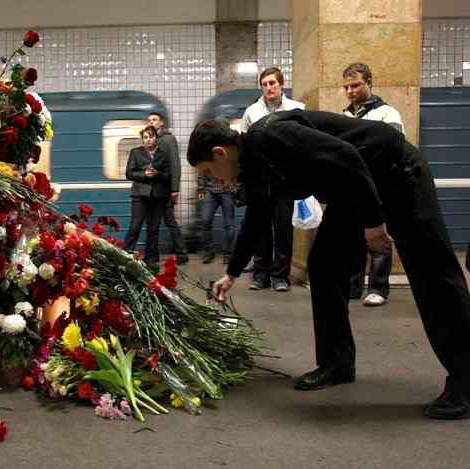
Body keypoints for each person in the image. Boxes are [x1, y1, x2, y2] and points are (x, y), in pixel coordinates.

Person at [187, 111, 470, 420]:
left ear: (220, 153)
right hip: (351, 191)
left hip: (395, 173)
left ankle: (465, 381)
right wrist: (232, 273)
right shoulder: (253, 171)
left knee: (433, 274)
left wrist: (373, 222)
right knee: (324, 265)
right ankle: (337, 363)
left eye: (208, 170)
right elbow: (255, 222)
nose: (212, 179)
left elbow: (346, 155)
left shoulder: (269, 136)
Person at [342, 62, 405, 307]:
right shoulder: (345, 115)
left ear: (369, 83)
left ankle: (378, 287)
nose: (350, 91)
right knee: (354, 239)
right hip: (354, 187)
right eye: (346, 86)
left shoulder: (387, 114)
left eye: (356, 85)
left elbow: (393, 149)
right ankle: (353, 285)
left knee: (378, 238)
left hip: (380, 185)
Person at [240, 67, 305, 292]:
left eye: (272, 83)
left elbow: (304, 144)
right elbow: (244, 146)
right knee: (261, 229)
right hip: (260, 180)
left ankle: (280, 276)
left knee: (283, 229)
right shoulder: (251, 112)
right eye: (265, 84)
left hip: (285, 180)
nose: (269, 87)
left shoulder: (297, 109)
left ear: (281, 84)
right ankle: (261, 274)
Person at [123, 125, 172, 267]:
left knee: (153, 229)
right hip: (140, 196)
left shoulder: (163, 154)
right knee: (135, 227)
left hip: (157, 197)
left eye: (151, 137)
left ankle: (150, 259)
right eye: (145, 137)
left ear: (156, 138)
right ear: (142, 139)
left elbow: (168, 175)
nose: (148, 140)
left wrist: (157, 174)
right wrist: (144, 174)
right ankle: (126, 255)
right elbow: (129, 173)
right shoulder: (135, 153)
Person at [147, 112, 189, 265]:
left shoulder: (168, 139)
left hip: (165, 188)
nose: (151, 122)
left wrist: (175, 188)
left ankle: (182, 255)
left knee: (169, 221)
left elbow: (175, 163)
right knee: (154, 223)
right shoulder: (149, 138)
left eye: (154, 119)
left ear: (161, 122)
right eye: (149, 120)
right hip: (153, 189)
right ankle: (153, 256)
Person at [197, 173, 236, 264]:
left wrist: (236, 188)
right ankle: (209, 251)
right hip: (211, 191)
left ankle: (227, 254)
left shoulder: (230, 158)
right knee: (205, 220)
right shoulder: (208, 158)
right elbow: (202, 170)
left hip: (227, 191)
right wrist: (201, 190)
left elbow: (237, 169)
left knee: (229, 225)